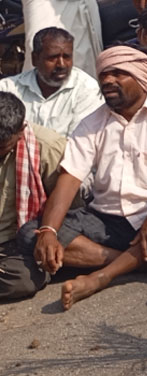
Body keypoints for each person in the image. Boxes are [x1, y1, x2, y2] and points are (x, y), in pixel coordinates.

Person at [14, 46, 147, 309]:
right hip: (107, 224)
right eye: (104, 74)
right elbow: (69, 180)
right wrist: (49, 231)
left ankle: (101, 276)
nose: (107, 80)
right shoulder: (91, 123)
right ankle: (137, 262)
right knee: (31, 234)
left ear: (142, 78)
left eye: (118, 73)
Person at [0, 93, 64, 301]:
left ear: (21, 132)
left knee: (23, 279)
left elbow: (67, 206)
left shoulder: (48, 147)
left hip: (18, 241)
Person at [0, 27, 103, 139]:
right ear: (35, 59)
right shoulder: (8, 88)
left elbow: (80, 143)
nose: (61, 65)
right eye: (53, 58)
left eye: (67, 57)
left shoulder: (86, 89)